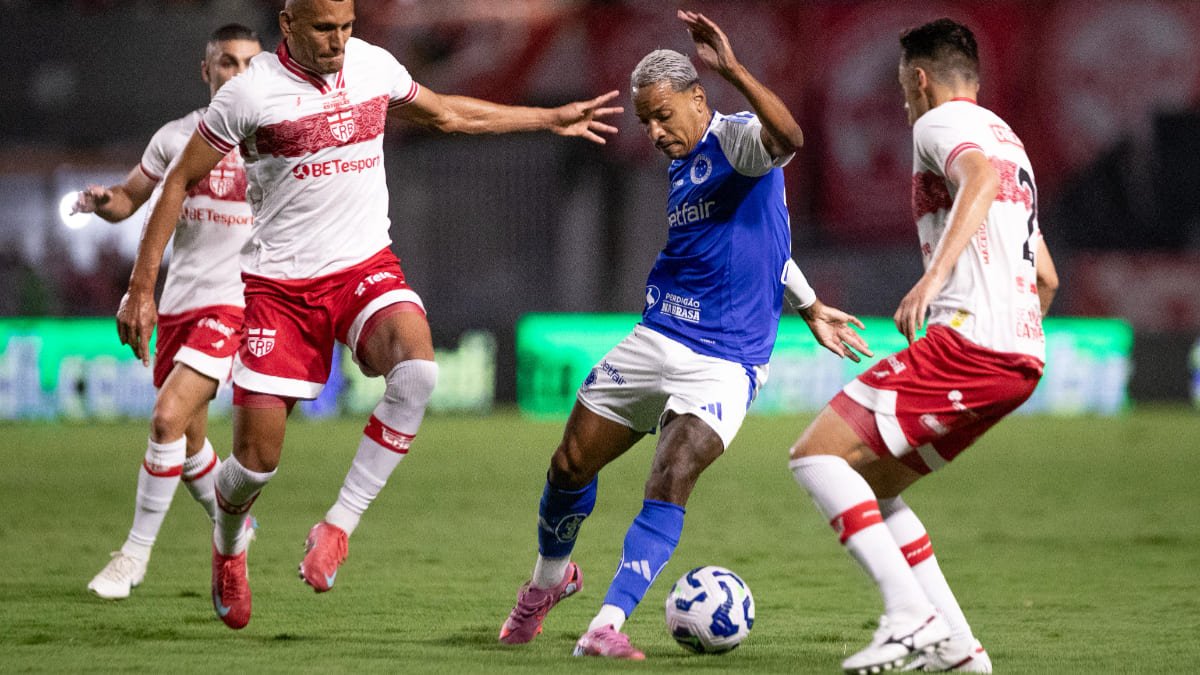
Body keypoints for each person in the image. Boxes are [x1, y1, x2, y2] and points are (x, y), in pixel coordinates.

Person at [116, 0, 622, 630]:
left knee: (418, 373)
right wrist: (141, 287)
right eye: (325, 28)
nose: (338, 40)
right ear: (289, 24)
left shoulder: (373, 66)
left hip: (363, 269)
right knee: (253, 465)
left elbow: (447, 113)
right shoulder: (249, 96)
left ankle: (337, 526)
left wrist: (548, 117)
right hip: (280, 289)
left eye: (347, 26)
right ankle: (227, 543)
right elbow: (178, 181)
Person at [497, 10, 871, 659]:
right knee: (569, 462)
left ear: (698, 98)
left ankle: (606, 623)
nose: (654, 130)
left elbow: (791, 134)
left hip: (726, 361)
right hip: (658, 333)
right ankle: (548, 582)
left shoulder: (739, 142)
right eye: (645, 120)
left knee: (671, 472)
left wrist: (732, 69)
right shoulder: (680, 162)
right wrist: (808, 303)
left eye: (663, 115)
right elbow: (765, 246)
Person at [787, 18, 1059, 674]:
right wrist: (1009, 334)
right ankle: (962, 653)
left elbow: (978, 181)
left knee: (815, 457)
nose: (904, 101)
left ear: (919, 79)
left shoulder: (939, 126)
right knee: (872, 483)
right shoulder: (1012, 142)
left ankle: (910, 618)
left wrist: (936, 281)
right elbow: (1045, 275)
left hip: (970, 345)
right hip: (1019, 357)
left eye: (902, 88)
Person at [78, 24, 263, 601]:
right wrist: (103, 201)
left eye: (249, 65)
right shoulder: (177, 138)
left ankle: (132, 556)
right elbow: (132, 197)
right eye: (227, 63)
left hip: (234, 306)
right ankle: (237, 526)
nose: (238, 74)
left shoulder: (274, 139)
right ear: (205, 71)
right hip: (178, 305)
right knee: (185, 448)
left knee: (164, 419)